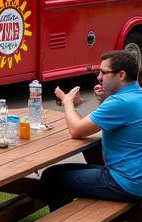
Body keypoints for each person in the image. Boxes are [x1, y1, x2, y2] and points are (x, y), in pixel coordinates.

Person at [42, 50, 142, 211]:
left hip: (127, 184)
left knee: (52, 178)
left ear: (121, 75)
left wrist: (67, 101)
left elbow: (76, 130)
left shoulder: (120, 102)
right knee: (56, 173)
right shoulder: (136, 96)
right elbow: (93, 125)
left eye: (103, 72)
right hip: (134, 179)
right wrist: (104, 101)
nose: (99, 77)